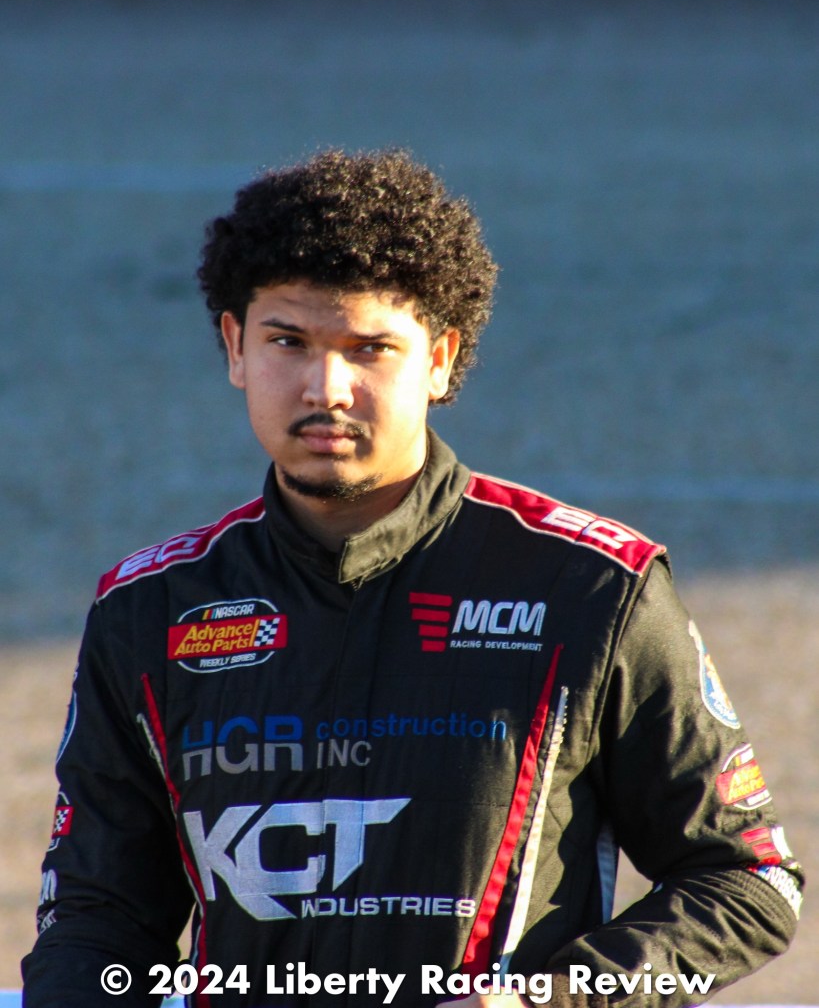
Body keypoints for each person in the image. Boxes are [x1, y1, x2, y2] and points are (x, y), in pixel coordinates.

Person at [23, 149, 803, 1008]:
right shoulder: (150, 610)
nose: (326, 388)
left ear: (438, 358)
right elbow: (98, 921)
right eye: (287, 341)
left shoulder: (590, 588)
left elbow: (749, 884)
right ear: (235, 346)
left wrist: (552, 999)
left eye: (370, 348)